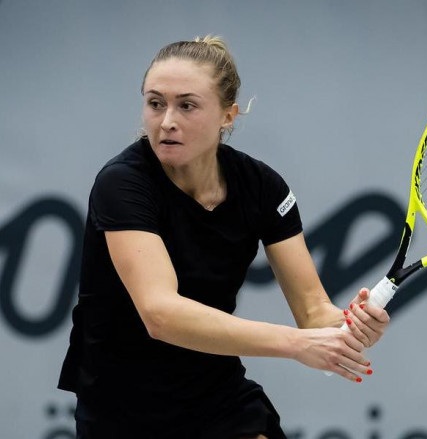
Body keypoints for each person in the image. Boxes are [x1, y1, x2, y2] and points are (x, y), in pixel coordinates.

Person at [58, 35, 390, 439]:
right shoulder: (123, 184)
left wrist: (349, 326)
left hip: (215, 395)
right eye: (155, 103)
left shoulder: (262, 187)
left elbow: (313, 311)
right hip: (122, 406)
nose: (167, 121)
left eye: (187, 105)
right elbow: (160, 314)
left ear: (227, 116)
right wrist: (296, 344)